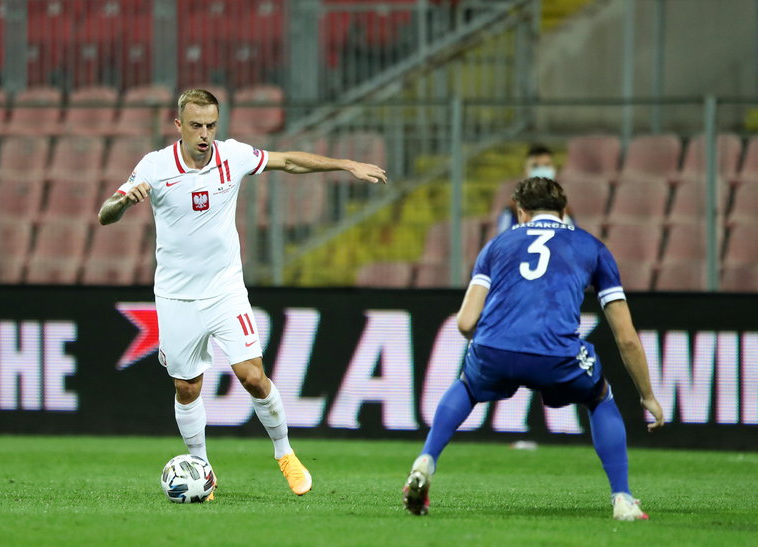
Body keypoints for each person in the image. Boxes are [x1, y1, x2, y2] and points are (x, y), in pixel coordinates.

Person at [98, 88, 387, 498]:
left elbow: (287, 162)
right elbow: (105, 213)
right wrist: (125, 202)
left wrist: (345, 164)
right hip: (176, 296)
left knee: (252, 376)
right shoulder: (155, 166)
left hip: (225, 289)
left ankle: (285, 454)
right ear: (178, 125)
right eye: (196, 125)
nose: (204, 134)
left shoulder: (231, 156)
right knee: (187, 388)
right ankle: (202, 467)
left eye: (211, 125)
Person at [403, 177, 664, 520]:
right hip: (556, 354)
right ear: (563, 211)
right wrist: (647, 395)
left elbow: (465, 323)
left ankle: (427, 459)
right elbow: (626, 337)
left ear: (521, 212)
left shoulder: (497, 245)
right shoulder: (592, 247)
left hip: (494, 348)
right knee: (600, 396)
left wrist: (496, 344)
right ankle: (623, 499)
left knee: (467, 385)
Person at [497, 144, 574, 234]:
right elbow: (504, 240)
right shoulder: (512, 208)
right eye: (535, 166)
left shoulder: (565, 208)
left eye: (546, 165)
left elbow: (574, 238)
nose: (542, 170)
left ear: (554, 169)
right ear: (525, 170)